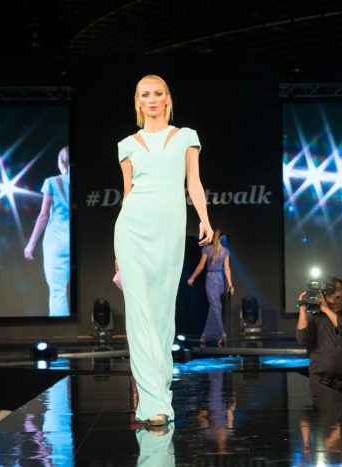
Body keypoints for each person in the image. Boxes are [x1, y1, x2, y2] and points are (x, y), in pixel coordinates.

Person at [114, 74, 213, 427]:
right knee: (139, 316)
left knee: (160, 316)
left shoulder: (186, 137)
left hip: (169, 231)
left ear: (168, 98)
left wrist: (204, 218)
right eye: (145, 94)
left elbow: (194, 183)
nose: (152, 99)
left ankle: (161, 392)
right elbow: (127, 196)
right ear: (138, 101)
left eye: (158, 93)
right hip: (131, 231)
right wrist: (117, 256)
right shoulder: (127, 144)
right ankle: (152, 403)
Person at [296, 277, 342, 403]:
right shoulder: (314, 318)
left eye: (337, 289)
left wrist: (325, 309)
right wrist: (303, 309)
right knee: (326, 421)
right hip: (322, 383)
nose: (332, 293)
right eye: (329, 290)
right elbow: (302, 340)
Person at [24, 146, 70, 317]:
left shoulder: (52, 182)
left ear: (61, 161)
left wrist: (30, 245)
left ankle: (63, 336)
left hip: (56, 241)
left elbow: (43, 216)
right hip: (77, 240)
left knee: (58, 292)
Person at [186, 228, 234, 347]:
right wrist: (230, 284)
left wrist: (231, 285)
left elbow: (202, 267)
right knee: (215, 307)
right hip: (217, 279)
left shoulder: (218, 251)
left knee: (215, 307)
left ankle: (216, 335)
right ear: (221, 238)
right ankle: (212, 335)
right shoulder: (211, 250)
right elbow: (225, 269)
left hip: (214, 279)